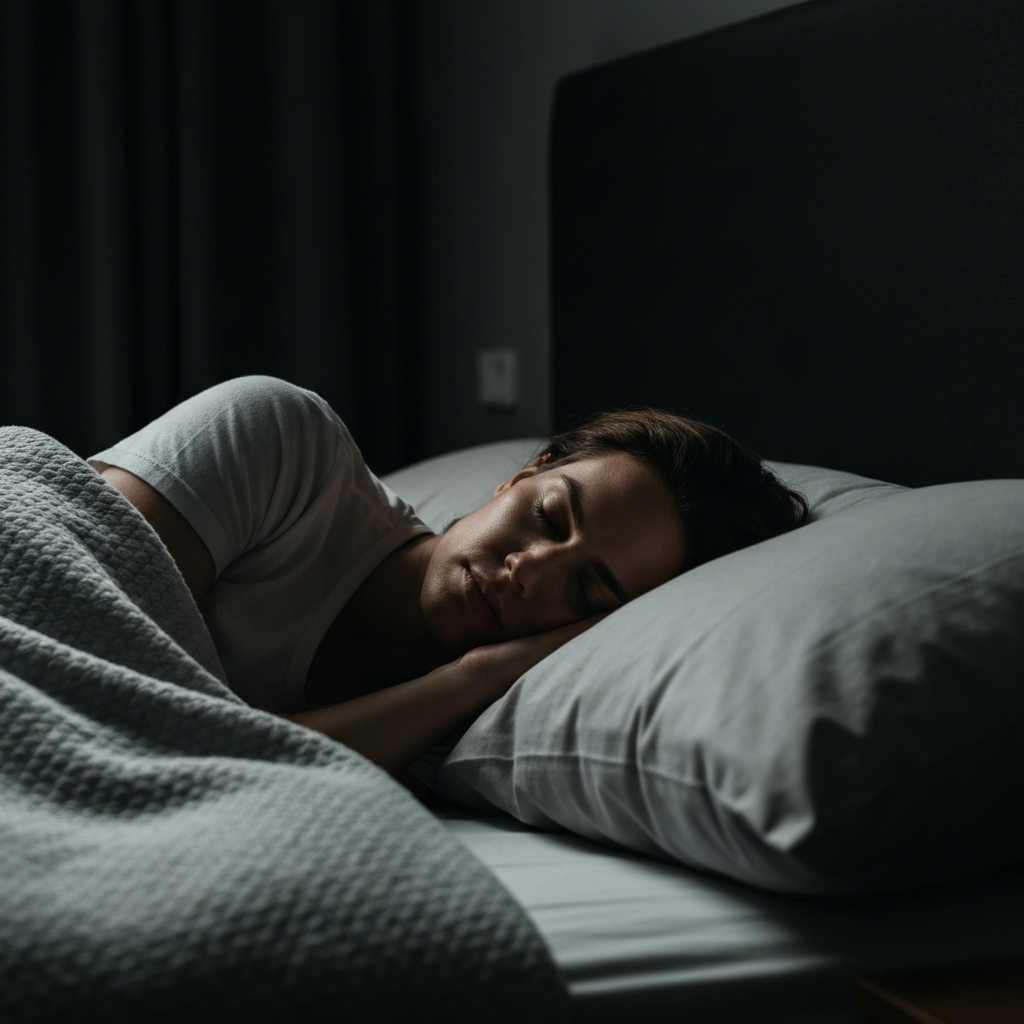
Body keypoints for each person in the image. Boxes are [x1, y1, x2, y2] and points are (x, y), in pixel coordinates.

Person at [90, 376, 807, 785]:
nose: (530, 570)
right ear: (527, 473)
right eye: (550, 517)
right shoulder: (283, 446)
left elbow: (218, 768)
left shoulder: (487, 722)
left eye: (587, 593)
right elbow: (79, 644)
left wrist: (473, 680)